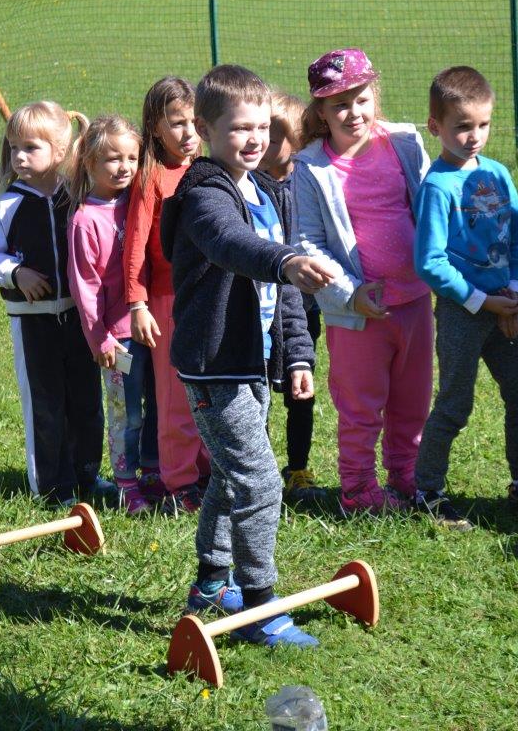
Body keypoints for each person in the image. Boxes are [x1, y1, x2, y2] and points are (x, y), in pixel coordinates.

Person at [160, 64, 336, 648]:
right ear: (206, 130)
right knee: (259, 482)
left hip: (253, 363)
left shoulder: (265, 192)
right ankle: (260, 606)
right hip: (215, 365)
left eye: (262, 127)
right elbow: (230, 244)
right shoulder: (204, 193)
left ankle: (212, 585)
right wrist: (284, 260)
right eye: (240, 128)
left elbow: (285, 296)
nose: (255, 139)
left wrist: (297, 356)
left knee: (230, 475)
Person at [413, 66, 518, 529]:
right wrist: (481, 301)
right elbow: (430, 262)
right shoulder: (437, 187)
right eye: (462, 126)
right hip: (464, 311)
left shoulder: (498, 174)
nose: (474, 136)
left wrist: (515, 290)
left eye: (483, 124)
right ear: (435, 126)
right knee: (455, 404)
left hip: (505, 307)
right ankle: (427, 492)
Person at [292, 49, 433, 516]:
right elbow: (308, 242)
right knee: (360, 406)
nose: (353, 112)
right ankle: (357, 489)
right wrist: (351, 293)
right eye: (339, 105)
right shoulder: (311, 168)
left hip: (415, 301)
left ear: (376, 96)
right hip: (358, 314)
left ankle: (407, 476)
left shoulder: (405, 143)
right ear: (321, 112)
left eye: (361, 99)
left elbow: (431, 208)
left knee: (413, 400)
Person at [0, 101, 107, 508]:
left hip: (80, 319)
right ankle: (51, 488)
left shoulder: (79, 195)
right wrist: (16, 274)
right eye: (14, 148)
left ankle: (87, 476)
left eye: (30, 147)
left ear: (60, 151)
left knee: (86, 401)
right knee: (45, 404)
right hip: (33, 323)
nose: (19, 156)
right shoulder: (8, 204)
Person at [123, 76, 210, 515]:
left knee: (209, 393)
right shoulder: (151, 177)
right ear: (155, 128)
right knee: (176, 398)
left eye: (194, 121)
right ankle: (179, 483)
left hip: (209, 299)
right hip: (168, 302)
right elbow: (135, 246)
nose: (188, 132)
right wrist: (138, 304)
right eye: (177, 123)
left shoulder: (208, 169)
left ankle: (208, 472)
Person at [67, 114, 162, 516]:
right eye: (112, 158)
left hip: (153, 326)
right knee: (127, 411)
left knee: (159, 404)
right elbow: (84, 288)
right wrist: (100, 340)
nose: (124, 167)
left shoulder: (141, 202)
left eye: (131, 158)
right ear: (89, 162)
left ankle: (154, 472)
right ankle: (126, 482)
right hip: (117, 340)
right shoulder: (84, 220)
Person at [258, 90, 325, 507]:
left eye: (275, 134)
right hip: (263, 309)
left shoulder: (306, 182)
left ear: (298, 139)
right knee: (259, 390)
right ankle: (261, 468)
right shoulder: (248, 186)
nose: (263, 141)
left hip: (305, 308)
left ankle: (298, 467)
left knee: (302, 389)